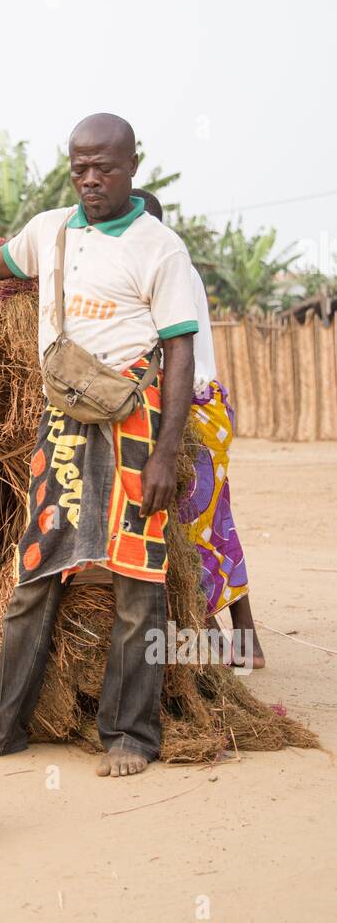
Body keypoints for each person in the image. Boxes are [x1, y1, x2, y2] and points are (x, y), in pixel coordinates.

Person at [0, 113, 198, 778]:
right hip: (63, 425)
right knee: (37, 574)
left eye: (102, 166)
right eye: (78, 165)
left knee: (139, 584)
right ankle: (0, 728)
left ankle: (131, 734)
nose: (88, 177)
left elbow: (181, 351)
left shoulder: (158, 247)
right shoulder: (50, 230)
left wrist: (166, 454)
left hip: (134, 426)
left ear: (132, 165)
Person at [138, 191, 265, 668]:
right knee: (214, 525)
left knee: (190, 531)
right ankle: (246, 643)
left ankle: (215, 642)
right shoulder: (176, 266)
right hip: (205, 408)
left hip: (189, 410)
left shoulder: (166, 267)